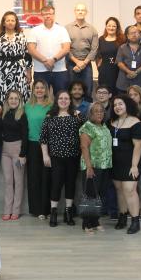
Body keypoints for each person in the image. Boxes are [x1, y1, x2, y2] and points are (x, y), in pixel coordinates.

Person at [40, 90, 84, 227]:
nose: (63, 100)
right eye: (61, 98)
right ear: (57, 100)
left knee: (71, 184)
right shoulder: (50, 116)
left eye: (66, 98)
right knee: (56, 184)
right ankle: (53, 212)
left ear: (70, 101)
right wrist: (45, 155)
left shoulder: (77, 116)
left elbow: (85, 135)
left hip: (73, 157)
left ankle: (68, 212)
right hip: (56, 157)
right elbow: (43, 138)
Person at [110, 94, 141, 234]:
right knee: (119, 190)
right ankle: (122, 216)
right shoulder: (112, 122)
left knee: (130, 191)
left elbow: (138, 146)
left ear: (127, 105)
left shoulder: (135, 122)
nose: (117, 107)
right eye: (115, 105)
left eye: (120, 104)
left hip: (130, 163)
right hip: (115, 163)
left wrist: (134, 165)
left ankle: (135, 221)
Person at [79, 102, 111, 233]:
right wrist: (89, 166)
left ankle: (95, 221)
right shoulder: (87, 127)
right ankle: (86, 224)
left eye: (101, 111)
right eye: (96, 111)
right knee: (90, 196)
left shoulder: (104, 126)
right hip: (92, 166)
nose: (99, 113)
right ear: (90, 113)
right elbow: (84, 147)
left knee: (100, 195)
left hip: (105, 166)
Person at [0, 11, 32, 106]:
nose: (10, 22)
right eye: (8, 20)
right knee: (4, 94)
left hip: (19, 71)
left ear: (16, 22)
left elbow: (27, 56)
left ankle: (20, 114)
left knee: (20, 93)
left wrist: (29, 73)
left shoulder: (22, 36)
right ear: (3, 23)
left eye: (13, 20)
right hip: (2, 71)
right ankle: (4, 114)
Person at [24, 80, 53, 219]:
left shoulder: (51, 106)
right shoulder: (27, 106)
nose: (39, 90)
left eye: (42, 88)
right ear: (33, 90)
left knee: (46, 178)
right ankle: (36, 209)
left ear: (46, 90)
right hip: (32, 145)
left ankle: (45, 210)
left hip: (47, 145)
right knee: (33, 178)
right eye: (37, 88)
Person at [27, 5, 71, 96]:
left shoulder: (62, 30)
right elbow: (31, 49)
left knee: (61, 97)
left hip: (59, 71)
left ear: (54, 15)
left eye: (50, 14)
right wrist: (45, 61)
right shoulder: (34, 31)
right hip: (40, 71)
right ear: (41, 16)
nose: (48, 16)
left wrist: (53, 60)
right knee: (41, 98)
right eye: (45, 14)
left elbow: (66, 48)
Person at [0, 90, 28, 220]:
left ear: (20, 101)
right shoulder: (4, 114)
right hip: (5, 151)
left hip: (18, 151)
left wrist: (23, 154)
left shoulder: (22, 115)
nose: (13, 100)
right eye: (11, 98)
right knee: (8, 181)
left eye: (16, 98)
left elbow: (25, 135)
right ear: (7, 100)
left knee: (18, 181)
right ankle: (7, 210)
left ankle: (16, 210)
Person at [65, 3, 98, 93]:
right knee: (71, 91)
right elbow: (65, 48)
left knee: (87, 91)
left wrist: (83, 63)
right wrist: (77, 62)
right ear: (75, 12)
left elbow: (94, 49)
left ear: (86, 12)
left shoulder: (92, 29)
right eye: (78, 10)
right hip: (71, 64)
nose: (80, 12)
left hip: (86, 64)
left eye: (82, 10)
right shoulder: (67, 28)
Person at [115, 25, 141, 92]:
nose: (134, 35)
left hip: (139, 81)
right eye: (131, 33)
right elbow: (119, 62)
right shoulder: (122, 47)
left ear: (140, 35)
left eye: (136, 32)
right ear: (127, 36)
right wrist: (129, 72)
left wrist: (136, 72)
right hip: (124, 81)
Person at [95, 17, 123, 93]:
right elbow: (98, 55)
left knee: (117, 93)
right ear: (106, 26)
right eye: (109, 25)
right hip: (104, 71)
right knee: (104, 92)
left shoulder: (122, 39)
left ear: (117, 27)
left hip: (118, 71)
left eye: (114, 26)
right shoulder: (101, 39)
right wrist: (99, 66)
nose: (111, 28)